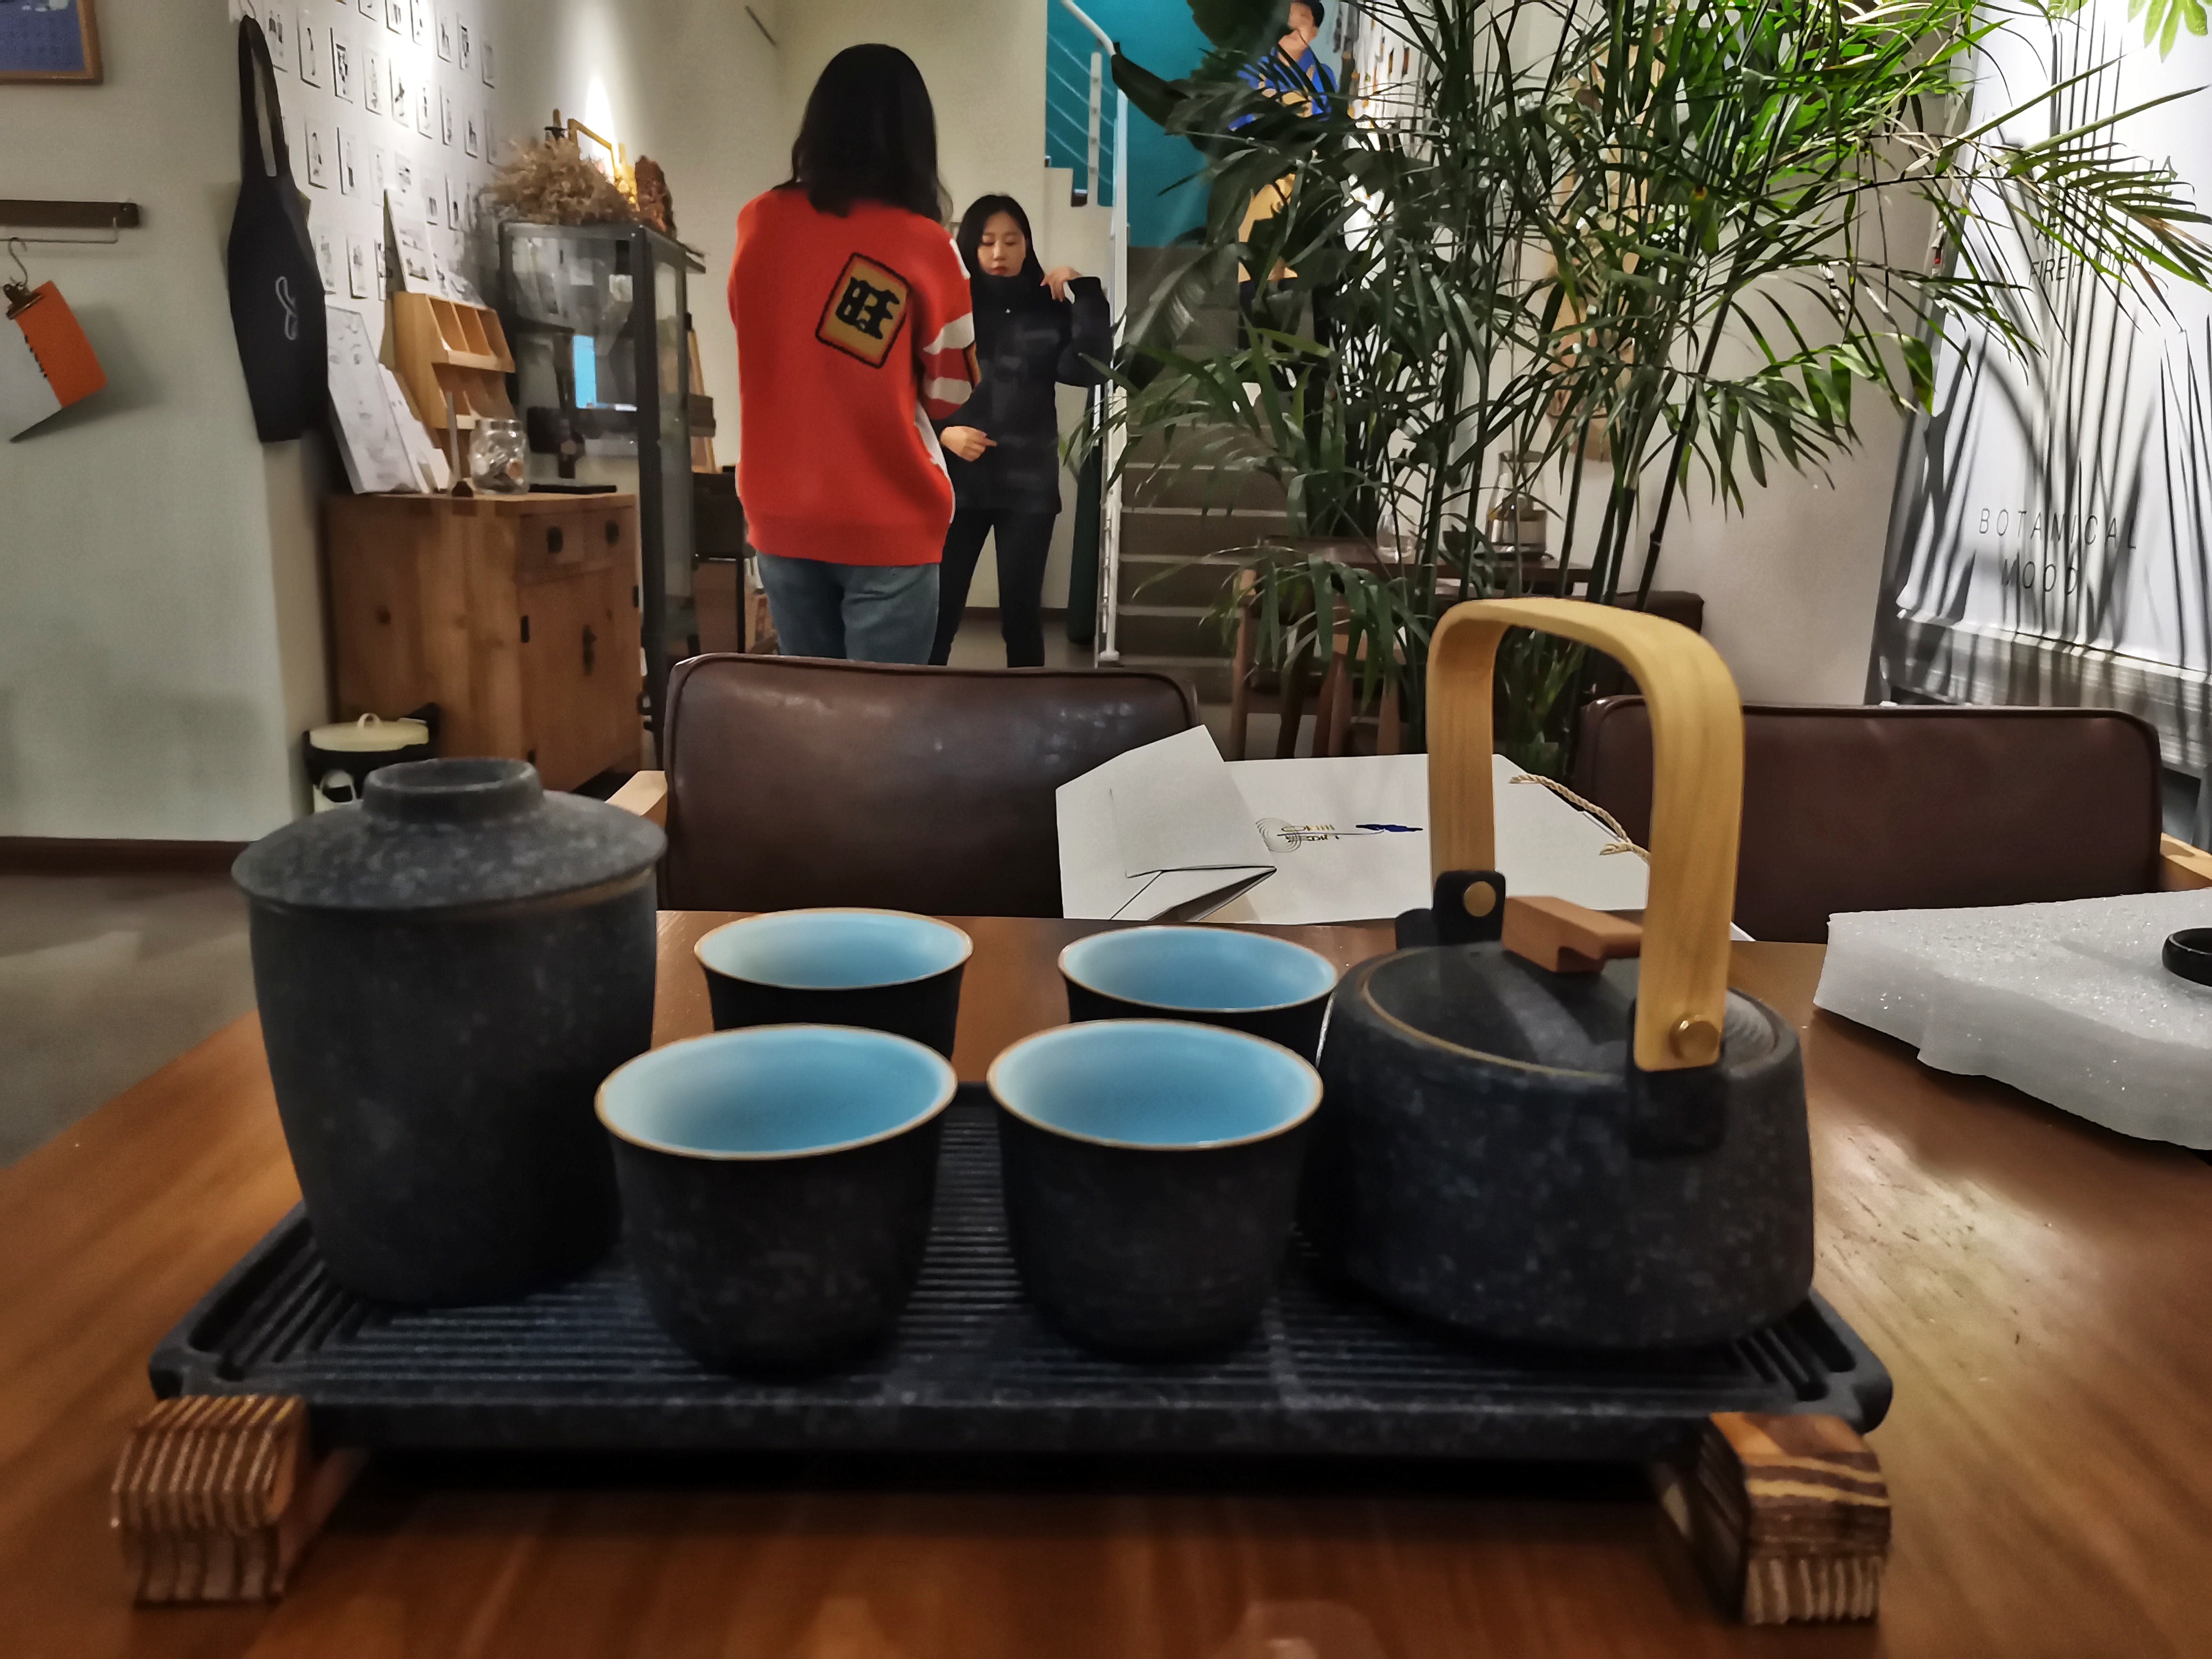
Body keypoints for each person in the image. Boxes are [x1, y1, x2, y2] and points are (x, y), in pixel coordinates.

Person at [728, 45, 979, 663]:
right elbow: (951, 393)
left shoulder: (758, 223)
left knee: (814, 710)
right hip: (889, 518)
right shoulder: (926, 245)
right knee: (883, 715)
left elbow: (756, 337)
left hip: (780, 511)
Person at [928, 196, 1110, 667]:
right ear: (970, 246)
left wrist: (1087, 293)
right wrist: (945, 433)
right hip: (958, 484)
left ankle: (1030, 706)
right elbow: (910, 384)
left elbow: (1089, 370)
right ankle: (921, 700)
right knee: (939, 611)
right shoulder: (949, 307)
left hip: (1028, 486)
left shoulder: (1047, 307)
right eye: (987, 242)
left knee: (1022, 615)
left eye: (1011, 241)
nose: (999, 253)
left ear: (1027, 245)